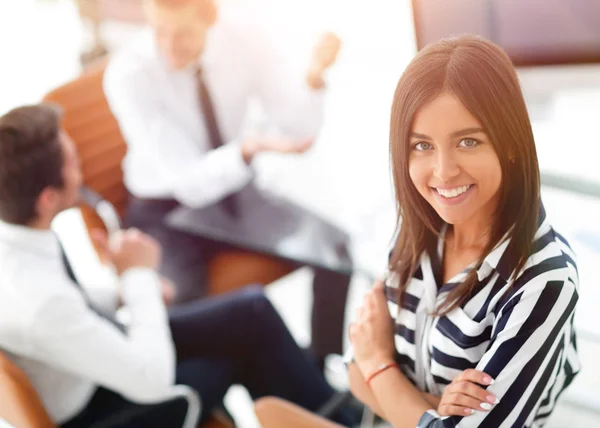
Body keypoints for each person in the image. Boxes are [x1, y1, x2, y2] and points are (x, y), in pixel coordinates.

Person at [253, 35, 581, 428]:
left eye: (468, 141)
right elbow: (354, 370)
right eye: (422, 146)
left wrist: (380, 367)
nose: (443, 172)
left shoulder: (543, 280)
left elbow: (368, 364)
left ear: (510, 143)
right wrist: (434, 406)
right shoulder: (417, 231)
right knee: (267, 410)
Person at [0, 104, 353, 427]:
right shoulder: (42, 303)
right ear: (47, 198)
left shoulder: (21, 240)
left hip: (89, 362)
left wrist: (127, 294)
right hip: (106, 409)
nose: (81, 171)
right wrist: (138, 275)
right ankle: (338, 419)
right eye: (74, 164)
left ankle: (334, 414)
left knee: (252, 310)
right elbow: (151, 381)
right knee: (240, 352)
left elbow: (68, 307)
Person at [103, 0, 351, 368]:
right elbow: (188, 182)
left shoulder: (243, 37)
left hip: (232, 190)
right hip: (163, 211)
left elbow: (297, 129)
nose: (169, 46)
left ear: (210, 17)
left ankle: (318, 369)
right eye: (158, 30)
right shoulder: (129, 74)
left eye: (183, 33)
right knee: (191, 311)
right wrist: (248, 149)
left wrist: (313, 77)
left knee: (336, 250)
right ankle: (215, 413)